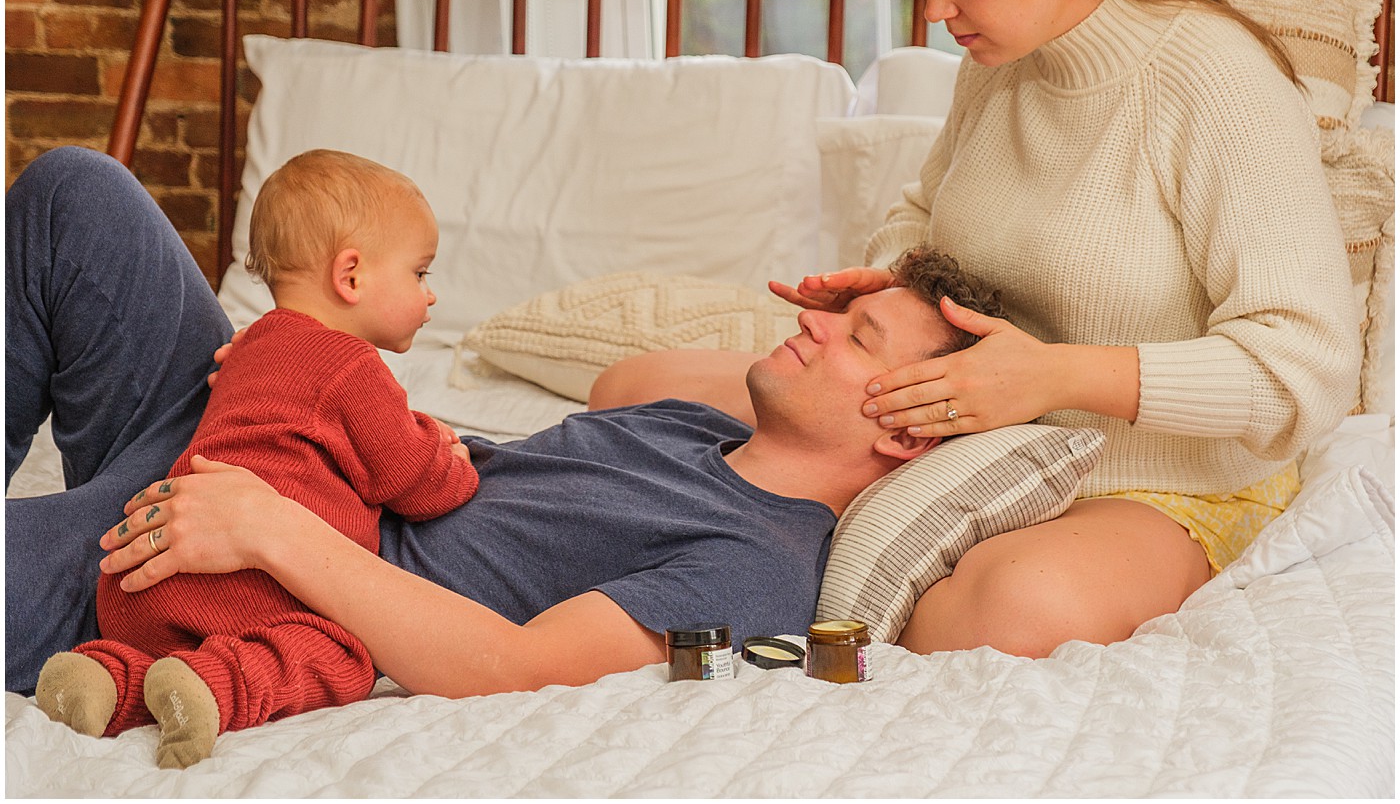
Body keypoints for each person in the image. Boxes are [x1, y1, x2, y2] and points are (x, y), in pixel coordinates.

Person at [600, 0, 1360, 658]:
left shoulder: (1215, 79)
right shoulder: (1002, 60)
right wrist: (896, 280)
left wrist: (1054, 376)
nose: (934, 10)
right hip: (963, 426)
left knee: (995, 612)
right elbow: (926, 208)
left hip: (1158, 479)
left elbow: (1306, 367)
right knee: (633, 388)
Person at [6, 146, 997, 706]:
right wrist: (294, 370)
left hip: (241, 569)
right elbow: (617, 376)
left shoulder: (757, 566)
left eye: (858, 335)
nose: (814, 323)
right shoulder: (693, 426)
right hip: (263, 447)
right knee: (79, 191)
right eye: (832, 313)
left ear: (909, 429)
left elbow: (514, 668)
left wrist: (271, 527)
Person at [34, 150, 479, 768]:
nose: (430, 295)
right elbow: (418, 481)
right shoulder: (354, 369)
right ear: (351, 276)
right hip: (244, 586)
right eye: (420, 272)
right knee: (347, 654)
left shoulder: (251, 344)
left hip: (139, 582)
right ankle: (217, 684)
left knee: (159, 651)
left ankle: (106, 678)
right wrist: (453, 455)